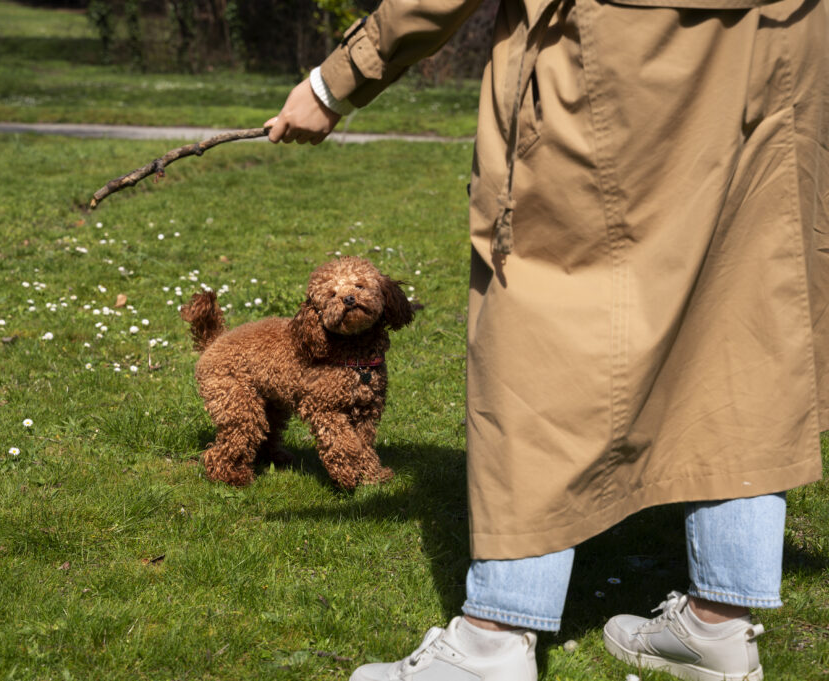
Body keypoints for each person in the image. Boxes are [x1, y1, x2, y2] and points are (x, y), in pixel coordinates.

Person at [264, 0, 828, 678]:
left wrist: (336, 81)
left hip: (613, 56)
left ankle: (495, 637)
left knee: (547, 314)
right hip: (778, 43)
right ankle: (720, 621)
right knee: (740, 309)